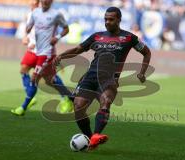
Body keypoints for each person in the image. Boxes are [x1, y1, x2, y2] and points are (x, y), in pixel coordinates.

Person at [54, 7, 151, 149]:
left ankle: (97, 134)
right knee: (78, 107)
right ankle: (91, 137)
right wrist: (61, 56)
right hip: (90, 76)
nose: (107, 22)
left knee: (105, 103)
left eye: (111, 19)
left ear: (119, 19)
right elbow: (77, 49)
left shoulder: (129, 38)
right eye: (105, 19)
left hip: (110, 79)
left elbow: (146, 53)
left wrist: (142, 72)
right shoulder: (96, 36)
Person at [11, 0, 73, 116]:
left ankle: (68, 98)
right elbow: (29, 30)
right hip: (32, 50)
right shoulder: (32, 14)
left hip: (46, 51)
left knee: (48, 80)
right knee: (23, 70)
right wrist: (26, 38)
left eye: (33, 1)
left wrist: (56, 37)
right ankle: (29, 98)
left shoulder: (54, 14)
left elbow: (65, 29)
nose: (31, 2)